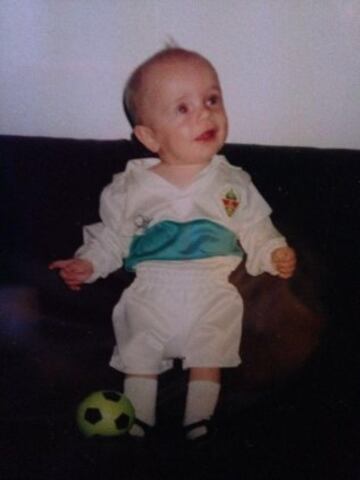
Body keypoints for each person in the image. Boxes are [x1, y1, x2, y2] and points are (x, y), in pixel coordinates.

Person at [49, 47, 296, 442]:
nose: (204, 113)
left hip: (211, 286)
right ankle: (140, 419)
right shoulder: (129, 187)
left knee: (209, 350)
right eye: (183, 108)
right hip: (151, 287)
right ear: (149, 136)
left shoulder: (233, 181)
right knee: (140, 352)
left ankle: (198, 422)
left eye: (211, 100)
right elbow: (112, 236)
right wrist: (89, 264)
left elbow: (254, 226)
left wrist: (273, 252)